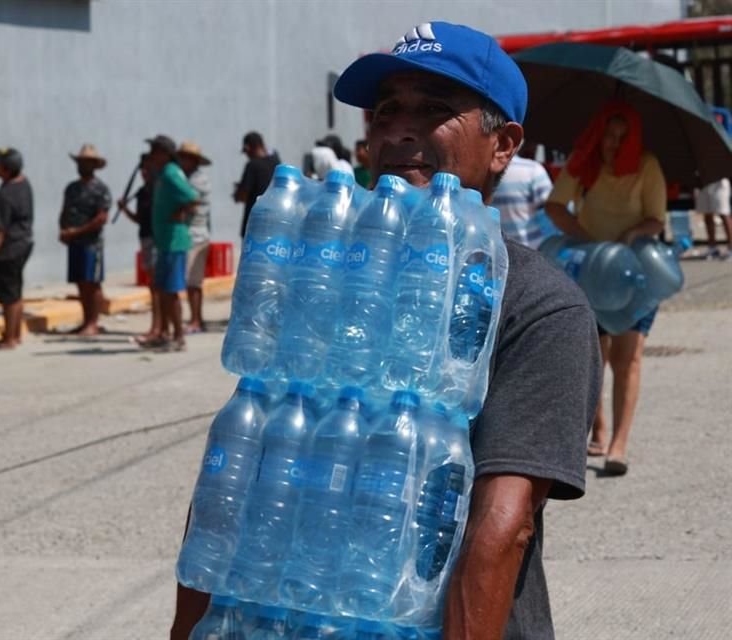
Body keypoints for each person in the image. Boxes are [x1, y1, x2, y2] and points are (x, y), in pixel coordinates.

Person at [171, 21, 602, 640]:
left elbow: (501, 526)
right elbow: (230, 490)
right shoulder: (323, 271)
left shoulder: (540, 305)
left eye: (434, 110)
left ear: (503, 145)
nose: (400, 130)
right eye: (386, 111)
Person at [545, 100, 667, 477]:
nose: (614, 142)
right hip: (592, 269)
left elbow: (656, 219)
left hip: (634, 272)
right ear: (597, 133)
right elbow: (554, 206)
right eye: (609, 134)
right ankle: (597, 427)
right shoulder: (584, 163)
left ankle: (619, 443)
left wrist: (633, 234)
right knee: (593, 356)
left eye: (622, 136)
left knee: (627, 358)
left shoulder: (647, 165)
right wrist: (586, 238)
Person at [146, 134, 198, 352]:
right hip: (166, 240)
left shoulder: (170, 173)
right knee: (162, 289)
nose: (151, 156)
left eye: (155, 151)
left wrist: (181, 211)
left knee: (170, 290)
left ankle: (178, 336)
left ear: (165, 154)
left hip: (173, 241)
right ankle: (169, 334)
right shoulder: (166, 173)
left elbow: (192, 197)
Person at [59, 143, 111, 337]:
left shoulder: (100, 189)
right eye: (80, 162)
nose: (82, 166)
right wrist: (64, 231)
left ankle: (93, 322)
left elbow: (101, 218)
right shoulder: (71, 188)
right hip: (74, 242)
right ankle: (85, 319)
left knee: (92, 282)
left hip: (91, 243)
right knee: (81, 282)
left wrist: (77, 232)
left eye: (86, 163)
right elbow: (64, 212)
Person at [0, 148, 33, 349]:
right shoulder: (23, 184)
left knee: (8, 296)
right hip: (22, 244)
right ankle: (15, 334)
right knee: (16, 293)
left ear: (5, 169)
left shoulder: (5, 195)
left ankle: (10, 338)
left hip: (9, 249)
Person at [118, 154, 161, 345]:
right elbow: (140, 220)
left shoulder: (158, 190)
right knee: (153, 286)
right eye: (142, 169)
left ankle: (158, 327)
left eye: (147, 168)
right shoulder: (143, 191)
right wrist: (125, 210)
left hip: (156, 240)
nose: (144, 172)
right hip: (145, 239)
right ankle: (157, 327)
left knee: (158, 287)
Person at [175, 141, 212, 334]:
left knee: (193, 282)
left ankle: (196, 320)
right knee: (191, 282)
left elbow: (190, 203)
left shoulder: (198, 180)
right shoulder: (187, 177)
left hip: (196, 235)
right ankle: (195, 319)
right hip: (192, 235)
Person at [490, 149, 554, 249]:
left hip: (493, 254)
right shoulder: (533, 170)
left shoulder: (479, 171)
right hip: (530, 252)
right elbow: (553, 212)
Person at [233, 131, 280, 237]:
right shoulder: (276, 162)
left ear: (248, 148)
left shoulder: (252, 165)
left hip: (254, 224)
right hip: (274, 222)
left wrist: (237, 192)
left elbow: (243, 195)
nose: (246, 155)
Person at [693, 177, 731, 259]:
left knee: (724, 214)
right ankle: (712, 247)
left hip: (719, 181)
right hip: (703, 183)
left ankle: (731, 247)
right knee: (707, 214)